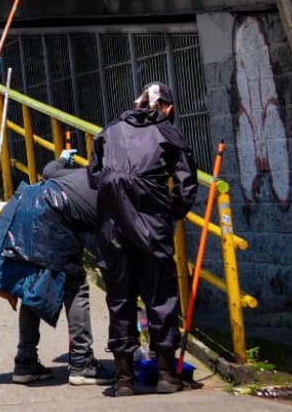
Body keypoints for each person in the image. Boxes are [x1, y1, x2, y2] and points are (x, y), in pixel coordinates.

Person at [0, 151, 115, 386]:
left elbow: (48, 170)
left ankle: (25, 362)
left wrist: (63, 158)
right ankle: (82, 362)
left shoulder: (84, 173)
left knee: (33, 289)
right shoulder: (116, 189)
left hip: (28, 203)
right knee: (76, 286)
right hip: (52, 216)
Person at [88, 82, 198, 396]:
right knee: (161, 297)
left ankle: (124, 379)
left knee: (120, 299)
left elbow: (94, 175)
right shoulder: (167, 132)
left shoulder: (110, 130)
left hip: (112, 229)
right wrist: (171, 211)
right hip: (152, 229)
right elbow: (187, 184)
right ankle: (166, 375)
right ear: (168, 107)